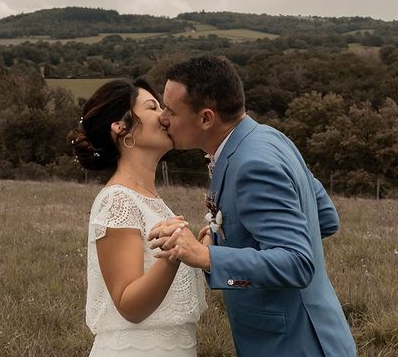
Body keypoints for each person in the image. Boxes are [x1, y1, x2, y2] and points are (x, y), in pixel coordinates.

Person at [149, 56, 357, 356]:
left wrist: (207, 256)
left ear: (206, 118)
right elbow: (324, 218)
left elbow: (297, 263)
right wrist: (225, 239)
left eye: (171, 110)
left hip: (295, 344)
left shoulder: (252, 164)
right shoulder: (271, 137)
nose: (163, 118)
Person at [69, 78, 206, 357]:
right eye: (153, 107)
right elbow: (129, 305)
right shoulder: (117, 200)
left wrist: (202, 252)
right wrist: (172, 255)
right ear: (122, 128)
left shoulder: (152, 200)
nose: (164, 116)